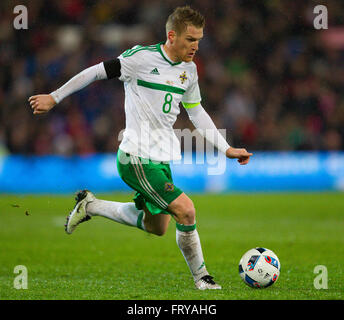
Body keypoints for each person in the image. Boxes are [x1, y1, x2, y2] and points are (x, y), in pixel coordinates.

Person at [29, 6, 253, 290]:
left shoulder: (189, 70)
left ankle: (92, 206)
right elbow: (95, 72)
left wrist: (226, 148)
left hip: (161, 158)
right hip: (136, 156)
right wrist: (54, 97)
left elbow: (196, 112)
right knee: (186, 211)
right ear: (172, 35)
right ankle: (203, 279)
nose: (196, 46)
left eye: (199, 40)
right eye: (190, 39)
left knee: (157, 227)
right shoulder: (141, 58)